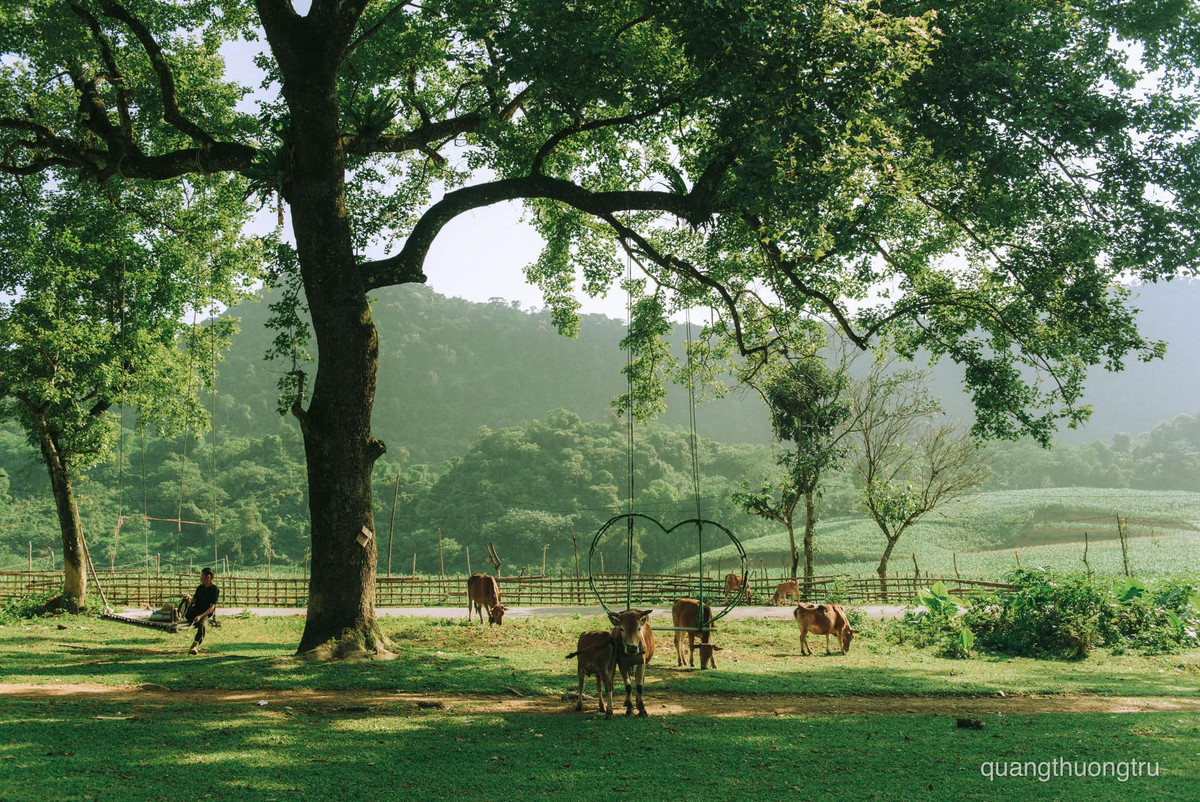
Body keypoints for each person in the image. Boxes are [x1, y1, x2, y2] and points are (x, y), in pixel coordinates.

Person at [180, 567, 219, 655]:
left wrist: (201, 616)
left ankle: (195, 645)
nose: (201, 578)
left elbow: (212, 607)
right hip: (195, 611)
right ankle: (177, 616)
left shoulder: (214, 590)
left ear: (208, 577)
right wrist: (188, 598)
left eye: (202, 576)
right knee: (184, 602)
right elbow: (194, 601)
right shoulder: (200, 588)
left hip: (204, 614)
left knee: (202, 625)